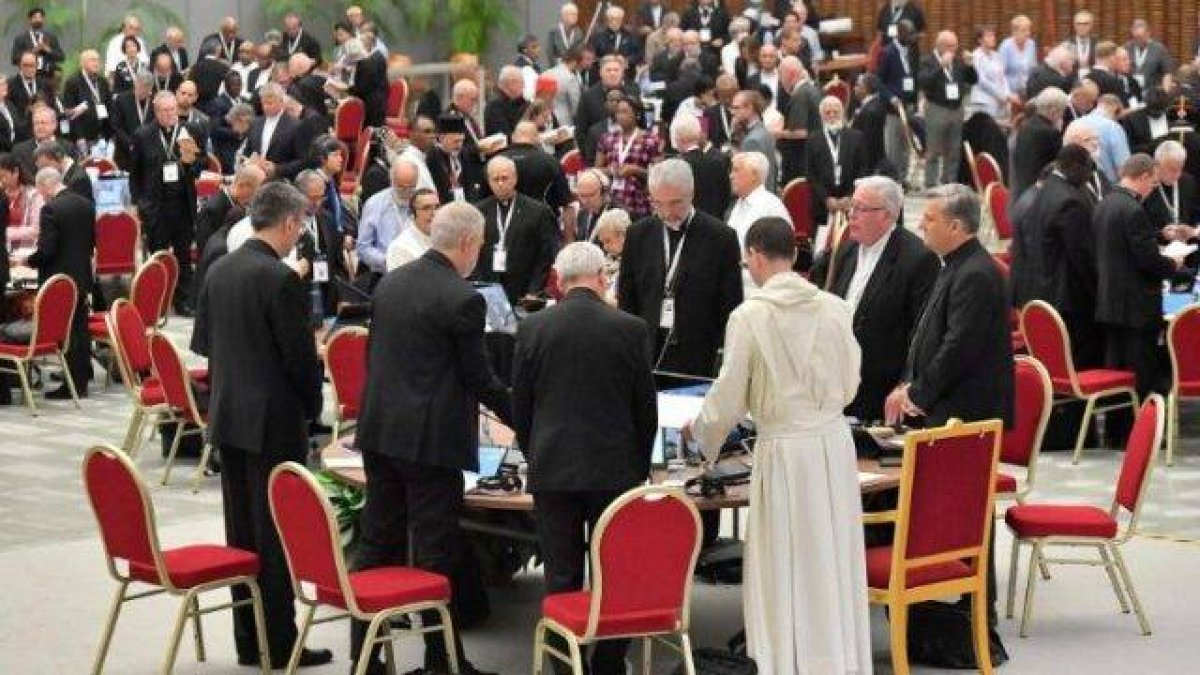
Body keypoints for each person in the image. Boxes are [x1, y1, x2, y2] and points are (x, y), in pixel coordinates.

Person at [683, 215, 870, 675]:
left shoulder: (750, 315)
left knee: (785, 558)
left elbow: (728, 393)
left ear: (754, 256)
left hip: (785, 449)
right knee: (830, 553)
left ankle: (786, 659)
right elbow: (852, 381)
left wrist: (701, 436)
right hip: (832, 443)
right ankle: (837, 656)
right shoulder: (834, 306)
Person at [352, 202, 510, 675]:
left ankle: (367, 658)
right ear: (466, 244)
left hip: (381, 432)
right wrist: (524, 417)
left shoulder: (391, 283)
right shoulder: (463, 298)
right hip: (430, 443)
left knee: (377, 543)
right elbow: (480, 379)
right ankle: (441, 661)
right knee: (435, 550)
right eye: (479, 245)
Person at [190, 182, 329, 670]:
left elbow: (203, 343)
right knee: (275, 536)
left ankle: (249, 640)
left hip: (228, 417)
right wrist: (314, 409)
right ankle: (282, 643)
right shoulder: (281, 279)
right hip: (273, 421)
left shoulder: (220, 269)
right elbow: (301, 360)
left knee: (242, 533)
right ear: (290, 222)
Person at [512, 242, 656, 675]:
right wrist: (639, 465)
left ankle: (563, 663)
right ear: (602, 277)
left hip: (553, 465)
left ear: (558, 279)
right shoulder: (630, 329)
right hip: (615, 469)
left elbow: (522, 405)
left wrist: (533, 452)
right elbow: (644, 410)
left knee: (560, 574)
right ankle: (609, 664)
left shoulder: (533, 329)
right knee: (614, 573)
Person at [810, 175, 938, 422]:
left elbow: (920, 335)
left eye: (861, 209)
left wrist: (905, 387)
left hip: (882, 388)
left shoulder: (918, 259)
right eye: (852, 207)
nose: (851, 215)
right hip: (838, 383)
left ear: (887, 215)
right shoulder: (846, 250)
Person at [886, 182, 1013, 427]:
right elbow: (928, 333)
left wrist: (916, 393)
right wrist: (909, 383)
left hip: (964, 414)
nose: (920, 225)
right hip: (945, 407)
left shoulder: (975, 274)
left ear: (955, 227)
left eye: (929, 219)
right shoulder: (955, 264)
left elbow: (959, 347)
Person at [617, 158, 742, 385]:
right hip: (647, 350)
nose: (666, 212)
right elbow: (627, 298)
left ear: (691, 194)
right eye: (658, 203)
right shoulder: (638, 234)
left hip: (698, 353)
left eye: (675, 203)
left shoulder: (721, 238)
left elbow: (730, 305)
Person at [1095, 153, 1184, 398]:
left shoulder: (1105, 203)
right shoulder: (1133, 209)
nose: (1152, 190)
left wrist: (1155, 236)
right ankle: (1144, 430)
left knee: (1117, 374)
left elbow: (1122, 244)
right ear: (1143, 177)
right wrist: (1173, 264)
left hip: (1110, 302)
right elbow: (1147, 260)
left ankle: (1118, 432)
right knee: (1141, 375)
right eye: (1153, 184)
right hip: (1135, 306)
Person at [1011, 144, 1103, 367]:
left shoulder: (1047, 188)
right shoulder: (1071, 201)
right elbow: (1082, 256)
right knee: (1077, 357)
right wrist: (1099, 292)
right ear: (1075, 167)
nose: (1089, 177)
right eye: (1088, 170)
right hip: (1067, 298)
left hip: (1040, 290)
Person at [21, 167, 94, 398]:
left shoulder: (50, 208)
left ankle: (70, 385)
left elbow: (47, 250)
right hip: (82, 275)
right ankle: (80, 381)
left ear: (45, 185)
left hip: (59, 281)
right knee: (80, 329)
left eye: (41, 190)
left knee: (67, 331)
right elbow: (91, 241)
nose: (41, 195)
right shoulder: (86, 204)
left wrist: (28, 261)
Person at [130, 91, 202, 316]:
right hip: (155, 206)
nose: (170, 114)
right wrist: (138, 205)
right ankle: (158, 304)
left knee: (183, 255)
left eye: (173, 109)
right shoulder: (143, 135)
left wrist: (190, 161)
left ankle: (183, 302)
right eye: (165, 110)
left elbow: (199, 167)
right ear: (156, 111)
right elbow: (135, 174)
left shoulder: (189, 131)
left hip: (182, 204)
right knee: (158, 256)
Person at [471, 155, 558, 304]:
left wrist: (534, 290)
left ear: (515, 178)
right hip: (488, 289)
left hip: (524, 290)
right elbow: (473, 251)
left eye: (504, 178)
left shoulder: (538, 211)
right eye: (495, 179)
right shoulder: (478, 211)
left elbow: (545, 255)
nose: (500, 183)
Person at [919, 31, 977, 188]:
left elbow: (973, 80)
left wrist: (970, 65)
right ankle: (931, 183)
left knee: (954, 149)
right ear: (940, 46)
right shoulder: (927, 60)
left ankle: (949, 181)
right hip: (937, 108)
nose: (955, 48)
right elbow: (924, 82)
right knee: (933, 149)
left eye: (956, 45)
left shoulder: (957, 61)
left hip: (956, 109)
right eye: (951, 46)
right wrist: (940, 66)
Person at [805, 95, 869, 228]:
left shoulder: (857, 137)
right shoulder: (812, 140)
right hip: (822, 205)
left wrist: (850, 196)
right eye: (828, 112)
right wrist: (826, 198)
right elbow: (811, 174)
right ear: (821, 115)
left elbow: (863, 170)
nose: (832, 115)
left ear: (842, 113)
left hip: (851, 203)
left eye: (836, 112)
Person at [596, 96, 661, 219]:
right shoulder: (607, 139)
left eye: (624, 112)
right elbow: (597, 170)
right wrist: (611, 170)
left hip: (638, 203)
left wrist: (635, 170)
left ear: (636, 114)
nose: (620, 116)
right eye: (618, 112)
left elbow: (658, 175)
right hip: (611, 202)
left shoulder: (650, 140)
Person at [357, 158, 420, 280]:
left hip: (417, 274)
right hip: (384, 274)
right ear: (392, 182)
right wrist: (388, 260)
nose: (406, 192)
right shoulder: (375, 204)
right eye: (401, 187)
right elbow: (363, 247)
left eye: (411, 188)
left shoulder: (422, 203)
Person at [877, 20, 921, 181]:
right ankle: (893, 179)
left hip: (908, 106)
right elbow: (878, 81)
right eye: (909, 35)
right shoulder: (887, 53)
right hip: (894, 109)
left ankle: (902, 178)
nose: (912, 39)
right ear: (900, 33)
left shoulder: (911, 51)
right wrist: (891, 97)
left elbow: (914, 76)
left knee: (906, 146)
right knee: (894, 147)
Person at [502, 120, 573, 214]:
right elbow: (566, 203)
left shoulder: (495, 162)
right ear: (537, 138)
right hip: (543, 220)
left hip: (505, 221)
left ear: (513, 137)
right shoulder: (550, 162)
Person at [671, 113, 731, 219]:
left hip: (690, 227)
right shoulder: (718, 163)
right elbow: (726, 198)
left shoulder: (676, 168)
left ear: (677, 137)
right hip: (717, 224)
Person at [1011, 87, 1068, 200]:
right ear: (1053, 110)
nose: (1062, 115)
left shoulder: (1026, 126)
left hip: (1020, 189)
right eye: (1062, 111)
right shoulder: (1050, 133)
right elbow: (1060, 165)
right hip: (1040, 193)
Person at [727, 151, 790, 249]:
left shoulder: (770, 207)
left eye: (736, 170)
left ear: (754, 176)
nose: (731, 176)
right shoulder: (739, 203)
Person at [243, 83, 307, 180]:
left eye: (270, 103)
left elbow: (302, 161)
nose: (266, 107)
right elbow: (247, 152)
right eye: (263, 103)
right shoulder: (256, 123)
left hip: (281, 180)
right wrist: (248, 161)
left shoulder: (295, 125)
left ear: (281, 102)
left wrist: (277, 169)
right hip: (255, 179)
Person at [777, 55, 821, 184]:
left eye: (781, 75)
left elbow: (800, 132)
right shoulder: (811, 89)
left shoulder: (800, 94)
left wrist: (776, 133)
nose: (780, 80)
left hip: (802, 158)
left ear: (790, 74)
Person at [61, 49, 112, 149]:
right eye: (92, 60)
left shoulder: (102, 82)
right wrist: (79, 136)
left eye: (98, 60)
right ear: (83, 63)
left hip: (102, 134)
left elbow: (109, 107)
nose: (96, 63)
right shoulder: (73, 83)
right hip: (83, 136)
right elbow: (70, 113)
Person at [969, 25, 1020, 124]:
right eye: (988, 36)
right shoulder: (975, 56)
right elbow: (981, 81)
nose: (992, 38)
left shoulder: (996, 56)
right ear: (980, 40)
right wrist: (1001, 95)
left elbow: (1003, 77)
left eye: (993, 36)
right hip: (984, 101)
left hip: (1001, 103)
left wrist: (1007, 94)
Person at [730, 89, 777, 191]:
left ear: (750, 108)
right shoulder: (764, 131)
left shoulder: (752, 141)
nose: (733, 112)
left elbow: (746, 179)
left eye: (736, 108)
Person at [1082, 93, 1131, 182]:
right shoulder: (1113, 127)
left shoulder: (1076, 124)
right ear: (1116, 110)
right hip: (1109, 187)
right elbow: (1124, 166)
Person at [386, 187, 439, 270]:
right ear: (413, 214)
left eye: (437, 207)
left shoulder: (446, 240)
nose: (434, 213)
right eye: (426, 208)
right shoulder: (400, 248)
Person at [11, 8, 64, 77]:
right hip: (28, 75)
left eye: (40, 17)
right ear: (29, 20)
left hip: (48, 75)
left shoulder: (51, 37)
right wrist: (33, 51)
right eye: (35, 17)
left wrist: (47, 49)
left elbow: (61, 57)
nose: (38, 20)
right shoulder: (21, 38)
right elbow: (14, 59)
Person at [484, 66, 529, 141]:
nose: (523, 86)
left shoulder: (525, 103)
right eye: (519, 82)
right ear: (507, 83)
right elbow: (504, 135)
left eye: (523, 82)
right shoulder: (494, 107)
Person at [1126, 20, 1173, 92]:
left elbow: (1167, 73)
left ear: (1148, 33)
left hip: (1152, 92)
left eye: (1141, 37)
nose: (1138, 40)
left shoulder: (1159, 49)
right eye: (1136, 37)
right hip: (1131, 90)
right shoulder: (1127, 48)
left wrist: (1165, 93)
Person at [998, 15, 1037, 96]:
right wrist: (1008, 94)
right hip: (1010, 91)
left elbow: (1033, 68)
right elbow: (1000, 74)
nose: (1028, 33)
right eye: (1024, 30)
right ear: (1014, 31)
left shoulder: (1031, 44)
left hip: (1027, 90)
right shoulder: (1006, 46)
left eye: (1029, 30)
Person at [1063, 10, 1097, 75]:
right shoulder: (1066, 44)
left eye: (1085, 24)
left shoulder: (1099, 44)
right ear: (1074, 25)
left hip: (1094, 80)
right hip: (1072, 81)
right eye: (1078, 24)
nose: (1082, 27)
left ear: (1092, 25)